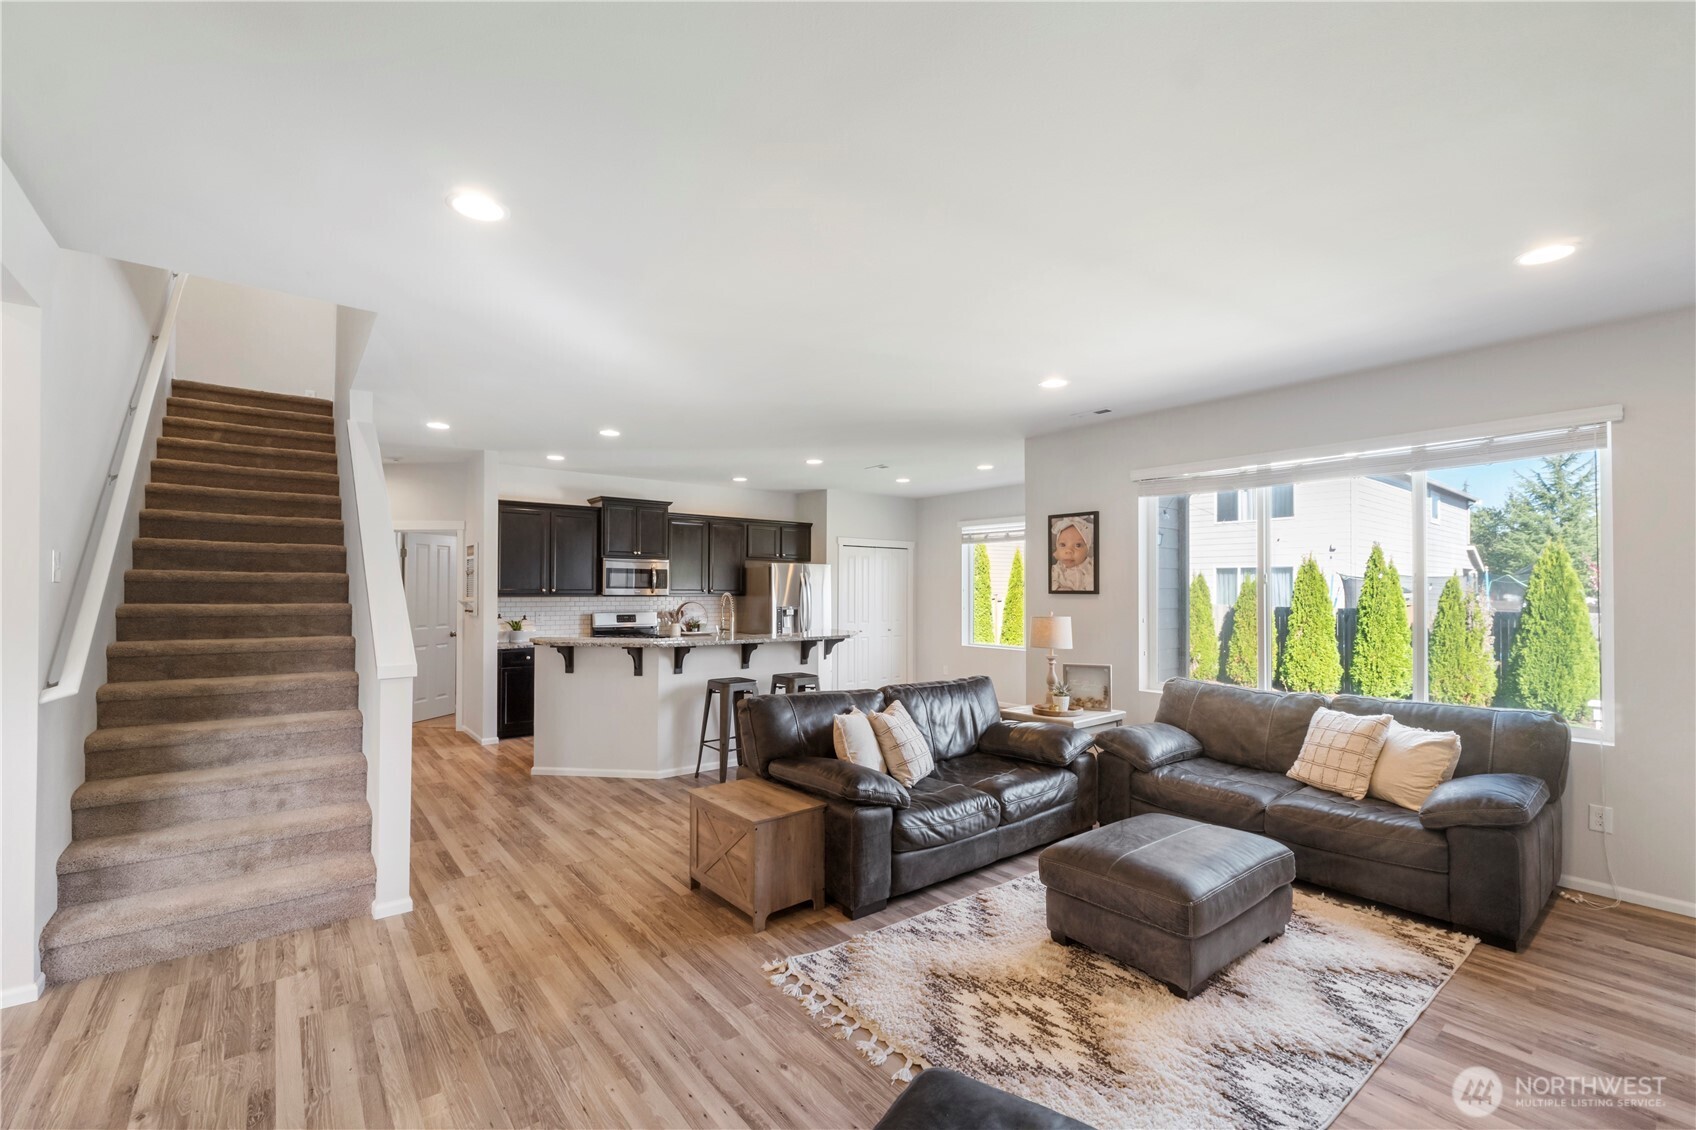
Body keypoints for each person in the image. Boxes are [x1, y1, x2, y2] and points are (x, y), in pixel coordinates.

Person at [1051, 515, 1094, 592]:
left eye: (1078, 545)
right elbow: (1051, 583)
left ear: (1087, 549)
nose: (1069, 551)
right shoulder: (1056, 569)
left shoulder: (1090, 567)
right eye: (1063, 545)